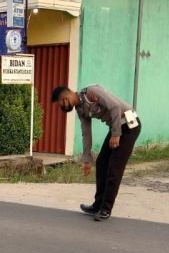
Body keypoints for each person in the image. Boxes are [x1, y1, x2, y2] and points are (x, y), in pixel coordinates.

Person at [51, 84, 141, 221]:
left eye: (63, 100)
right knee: (101, 163)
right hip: (116, 127)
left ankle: (105, 209)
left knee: (114, 168)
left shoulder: (92, 91)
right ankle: (97, 205)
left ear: (68, 93)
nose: (63, 105)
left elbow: (115, 106)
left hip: (129, 125)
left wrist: (116, 134)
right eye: (60, 104)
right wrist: (86, 160)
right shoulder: (80, 110)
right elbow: (86, 134)